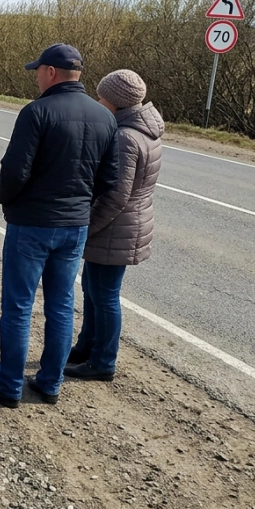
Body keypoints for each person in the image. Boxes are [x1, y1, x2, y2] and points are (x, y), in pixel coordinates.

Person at [0, 43, 118, 408]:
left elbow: (14, 172)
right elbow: (110, 178)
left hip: (32, 224)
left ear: (51, 72)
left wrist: (7, 200)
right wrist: (80, 202)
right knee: (62, 305)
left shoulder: (36, 112)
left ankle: (8, 385)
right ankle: (50, 383)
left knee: (19, 307)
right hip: (74, 225)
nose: (36, 75)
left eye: (38, 70)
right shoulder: (105, 117)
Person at [66, 70, 164, 381]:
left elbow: (116, 195)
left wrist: (87, 226)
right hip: (124, 225)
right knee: (94, 290)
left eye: (101, 98)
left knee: (105, 294)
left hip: (115, 227)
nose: (98, 102)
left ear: (116, 103)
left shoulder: (125, 137)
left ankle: (103, 362)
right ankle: (86, 347)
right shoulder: (143, 130)